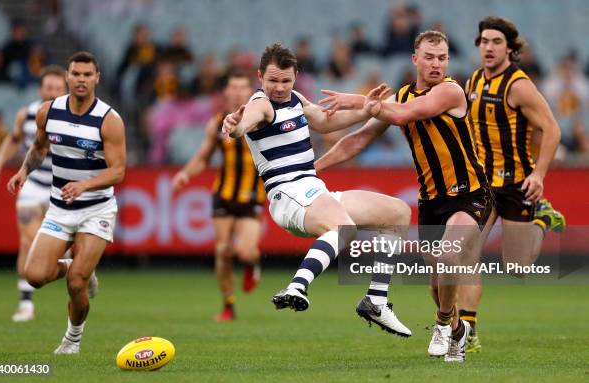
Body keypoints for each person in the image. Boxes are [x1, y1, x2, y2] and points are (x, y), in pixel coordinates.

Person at [315, 31, 493, 362]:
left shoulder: (451, 92)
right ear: (415, 59)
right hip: (431, 202)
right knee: (437, 286)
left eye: (442, 57)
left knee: (449, 255)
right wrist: (314, 168)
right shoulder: (401, 96)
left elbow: (402, 115)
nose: (436, 63)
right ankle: (457, 332)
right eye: (429, 57)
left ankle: (441, 325)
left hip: (470, 195)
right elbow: (359, 139)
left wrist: (359, 101)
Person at [222, 43, 413, 337]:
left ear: (296, 76)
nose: (279, 87)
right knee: (344, 228)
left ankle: (376, 300)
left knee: (397, 213)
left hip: (313, 191)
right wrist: (234, 125)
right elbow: (243, 124)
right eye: (272, 80)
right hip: (287, 195)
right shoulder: (260, 104)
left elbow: (325, 121)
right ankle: (298, 285)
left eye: (286, 80)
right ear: (260, 77)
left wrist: (367, 109)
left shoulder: (296, 100)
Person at [7, 51, 126, 354]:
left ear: (96, 78)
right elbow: (38, 147)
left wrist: (84, 184)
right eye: (76, 74)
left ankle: (72, 339)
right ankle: (77, 266)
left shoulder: (108, 120)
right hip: (60, 208)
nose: (81, 80)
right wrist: (23, 170)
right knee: (34, 277)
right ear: (67, 78)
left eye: (88, 75)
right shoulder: (48, 112)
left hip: (96, 208)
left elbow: (118, 171)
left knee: (76, 284)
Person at [459, 16, 566, 353]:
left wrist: (538, 175)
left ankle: (543, 218)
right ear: (478, 46)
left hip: (517, 184)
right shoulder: (472, 81)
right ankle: (468, 331)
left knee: (516, 266)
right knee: (465, 253)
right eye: (484, 41)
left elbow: (552, 129)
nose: (489, 47)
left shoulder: (518, 85)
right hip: (483, 185)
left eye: (496, 42)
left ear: (509, 48)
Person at [171, 72, 265, 321]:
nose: (237, 91)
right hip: (223, 194)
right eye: (232, 87)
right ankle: (228, 305)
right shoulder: (217, 123)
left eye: (242, 87)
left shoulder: (262, 119)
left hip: (252, 196)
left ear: (250, 91)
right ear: (226, 92)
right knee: (223, 250)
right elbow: (203, 157)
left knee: (245, 251)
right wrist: (185, 174)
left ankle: (252, 265)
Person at [0, 65, 68, 322]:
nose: (53, 92)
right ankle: (25, 303)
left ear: (64, 90)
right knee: (27, 242)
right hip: (32, 184)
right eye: (49, 87)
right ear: (40, 88)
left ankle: (75, 270)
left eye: (58, 88)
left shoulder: (74, 115)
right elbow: (13, 138)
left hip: (63, 187)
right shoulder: (28, 114)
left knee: (73, 249)